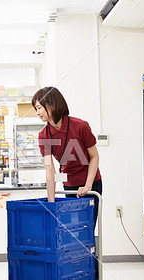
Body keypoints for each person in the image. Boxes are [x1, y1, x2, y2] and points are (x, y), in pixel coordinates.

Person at [33, 87, 102, 225]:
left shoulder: (80, 126)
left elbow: (94, 156)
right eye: (36, 108)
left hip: (91, 184)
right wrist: (51, 203)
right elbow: (49, 169)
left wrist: (87, 186)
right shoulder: (44, 136)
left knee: (86, 229)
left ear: (52, 105)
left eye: (39, 108)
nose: (37, 113)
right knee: (70, 229)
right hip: (69, 186)